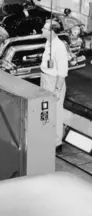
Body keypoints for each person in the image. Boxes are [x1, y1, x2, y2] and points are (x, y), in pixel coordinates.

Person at [40, 20, 68, 148]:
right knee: (46, 110)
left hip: (54, 82)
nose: (42, 30)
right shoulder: (49, 42)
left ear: (51, 32)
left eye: (44, 28)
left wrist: (57, 89)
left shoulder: (59, 47)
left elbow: (62, 72)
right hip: (46, 79)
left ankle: (56, 143)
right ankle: (47, 137)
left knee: (56, 112)